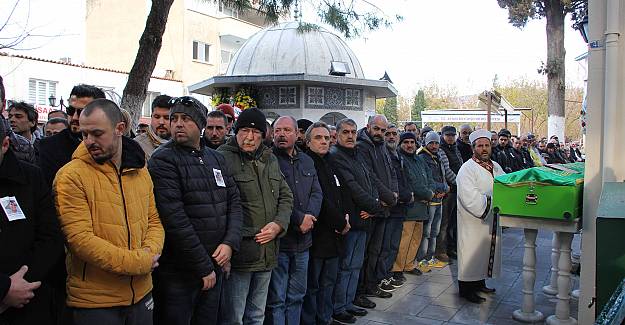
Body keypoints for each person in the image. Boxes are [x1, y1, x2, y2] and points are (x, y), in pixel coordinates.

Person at [53, 99, 164, 324]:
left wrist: (150, 253)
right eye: (84, 135)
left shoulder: (140, 171)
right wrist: (140, 263)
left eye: (96, 133)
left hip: (142, 293)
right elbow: (80, 240)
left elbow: (153, 220)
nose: (89, 141)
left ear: (120, 129)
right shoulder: (70, 176)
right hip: (96, 302)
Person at [148, 96, 242, 325]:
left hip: (215, 264)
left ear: (200, 124)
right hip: (180, 272)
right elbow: (175, 219)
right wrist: (202, 266)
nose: (178, 124)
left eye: (186, 119)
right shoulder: (163, 160)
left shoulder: (216, 159)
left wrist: (229, 244)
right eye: (175, 119)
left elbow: (234, 203)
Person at [217, 108, 293, 325]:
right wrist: (227, 247)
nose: (249, 137)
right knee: (234, 317)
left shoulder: (269, 158)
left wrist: (279, 224)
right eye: (244, 131)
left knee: (257, 315)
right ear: (236, 131)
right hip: (240, 253)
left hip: (267, 252)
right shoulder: (222, 158)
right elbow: (220, 207)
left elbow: (286, 196)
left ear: (263, 135)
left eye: (255, 132)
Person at [0, 120, 64, 325]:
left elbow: (50, 236)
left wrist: (22, 285)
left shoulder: (30, 178)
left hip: (30, 299)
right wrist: (4, 289)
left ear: (5, 145)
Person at [266, 116, 322, 325]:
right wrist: (299, 219)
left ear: (297, 133)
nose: (282, 134)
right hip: (281, 242)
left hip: (304, 243)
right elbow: (273, 197)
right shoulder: (267, 159)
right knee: (277, 299)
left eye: (287, 130)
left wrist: (310, 218)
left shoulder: (307, 160)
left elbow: (317, 192)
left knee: (297, 296)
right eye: (278, 130)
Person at [329, 118, 383, 323]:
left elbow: (370, 181)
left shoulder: (357, 153)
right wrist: (376, 207)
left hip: (365, 218)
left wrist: (374, 204)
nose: (350, 136)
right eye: (345, 132)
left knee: (355, 265)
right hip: (351, 221)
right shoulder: (336, 157)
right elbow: (353, 189)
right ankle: (339, 307)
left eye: (353, 132)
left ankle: (349, 302)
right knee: (346, 266)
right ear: (338, 134)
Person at [301, 122, 349, 325]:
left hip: (335, 235)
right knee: (313, 285)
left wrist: (345, 217)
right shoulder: (307, 162)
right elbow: (320, 200)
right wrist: (340, 221)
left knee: (328, 282)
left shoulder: (330, 161)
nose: (323, 142)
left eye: (326, 138)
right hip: (318, 234)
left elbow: (341, 192)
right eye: (318, 138)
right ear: (308, 141)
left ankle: (325, 317)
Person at [456, 129, 504, 304]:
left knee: (484, 253)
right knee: (471, 253)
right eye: (480, 146)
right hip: (473, 220)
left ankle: (479, 283)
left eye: (487, 145)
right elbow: (469, 196)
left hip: (490, 219)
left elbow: (505, 184)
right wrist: (491, 202)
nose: (484, 149)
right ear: (473, 148)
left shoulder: (495, 166)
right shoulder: (466, 169)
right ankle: (466, 290)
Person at [355, 115, 397, 303]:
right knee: (366, 253)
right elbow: (370, 177)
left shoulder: (382, 147)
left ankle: (371, 284)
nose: (380, 133)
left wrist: (394, 194)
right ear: (368, 127)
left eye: (383, 130)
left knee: (376, 251)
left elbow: (391, 173)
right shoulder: (362, 147)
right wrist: (386, 197)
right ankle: (361, 290)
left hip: (385, 207)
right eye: (377, 129)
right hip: (372, 207)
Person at [38, 84, 105, 186]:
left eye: (82, 112)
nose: (74, 117)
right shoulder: (49, 146)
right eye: (71, 110)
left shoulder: (115, 145)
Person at [392, 132, 434, 280]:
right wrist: (429, 194)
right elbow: (411, 183)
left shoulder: (418, 159)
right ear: (400, 144)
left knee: (416, 238)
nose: (409, 145)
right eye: (406, 142)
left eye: (412, 142)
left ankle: (409, 264)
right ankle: (397, 268)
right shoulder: (400, 159)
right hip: (410, 206)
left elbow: (430, 178)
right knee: (404, 239)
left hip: (422, 207)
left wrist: (431, 190)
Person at [378, 124, 414, 292]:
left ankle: (388, 273)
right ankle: (381, 277)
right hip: (390, 208)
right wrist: (404, 196)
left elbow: (404, 179)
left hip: (401, 209)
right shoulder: (384, 155)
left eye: (394, 134)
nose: (391, 137)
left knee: (393, 245)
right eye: (388, 134)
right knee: (385, 247)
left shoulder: (397, 155)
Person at [415, 131, 449, 273]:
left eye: (436, 143)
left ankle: (430, 257)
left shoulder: (437, 157)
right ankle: (422, 259)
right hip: (429, 200)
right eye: (431, 143)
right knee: (426, 232)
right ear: (426, 143)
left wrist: (445, 188)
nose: (434, 145)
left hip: (439, 199)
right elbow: (427, 179)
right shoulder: (422, 157)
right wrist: (442, 188)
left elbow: (442, 176)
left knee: (435, 231)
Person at [437, 126, 463, 261]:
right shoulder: (441, 150)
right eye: (448, 135)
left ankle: (451, 248)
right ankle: (441, 250)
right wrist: (460, 182)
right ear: (442, 135)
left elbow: (461, 165)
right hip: (449, 191)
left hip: (457, 190)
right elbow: (447, 171)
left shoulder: (455, 148)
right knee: (444, 223)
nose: (451, 137)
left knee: (454, 222)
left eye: (453, 135)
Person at [0, 76, 36, 164]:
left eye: (18, 116)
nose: (12, 120)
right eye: (10, 116)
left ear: (3, 104)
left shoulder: (25, 147)